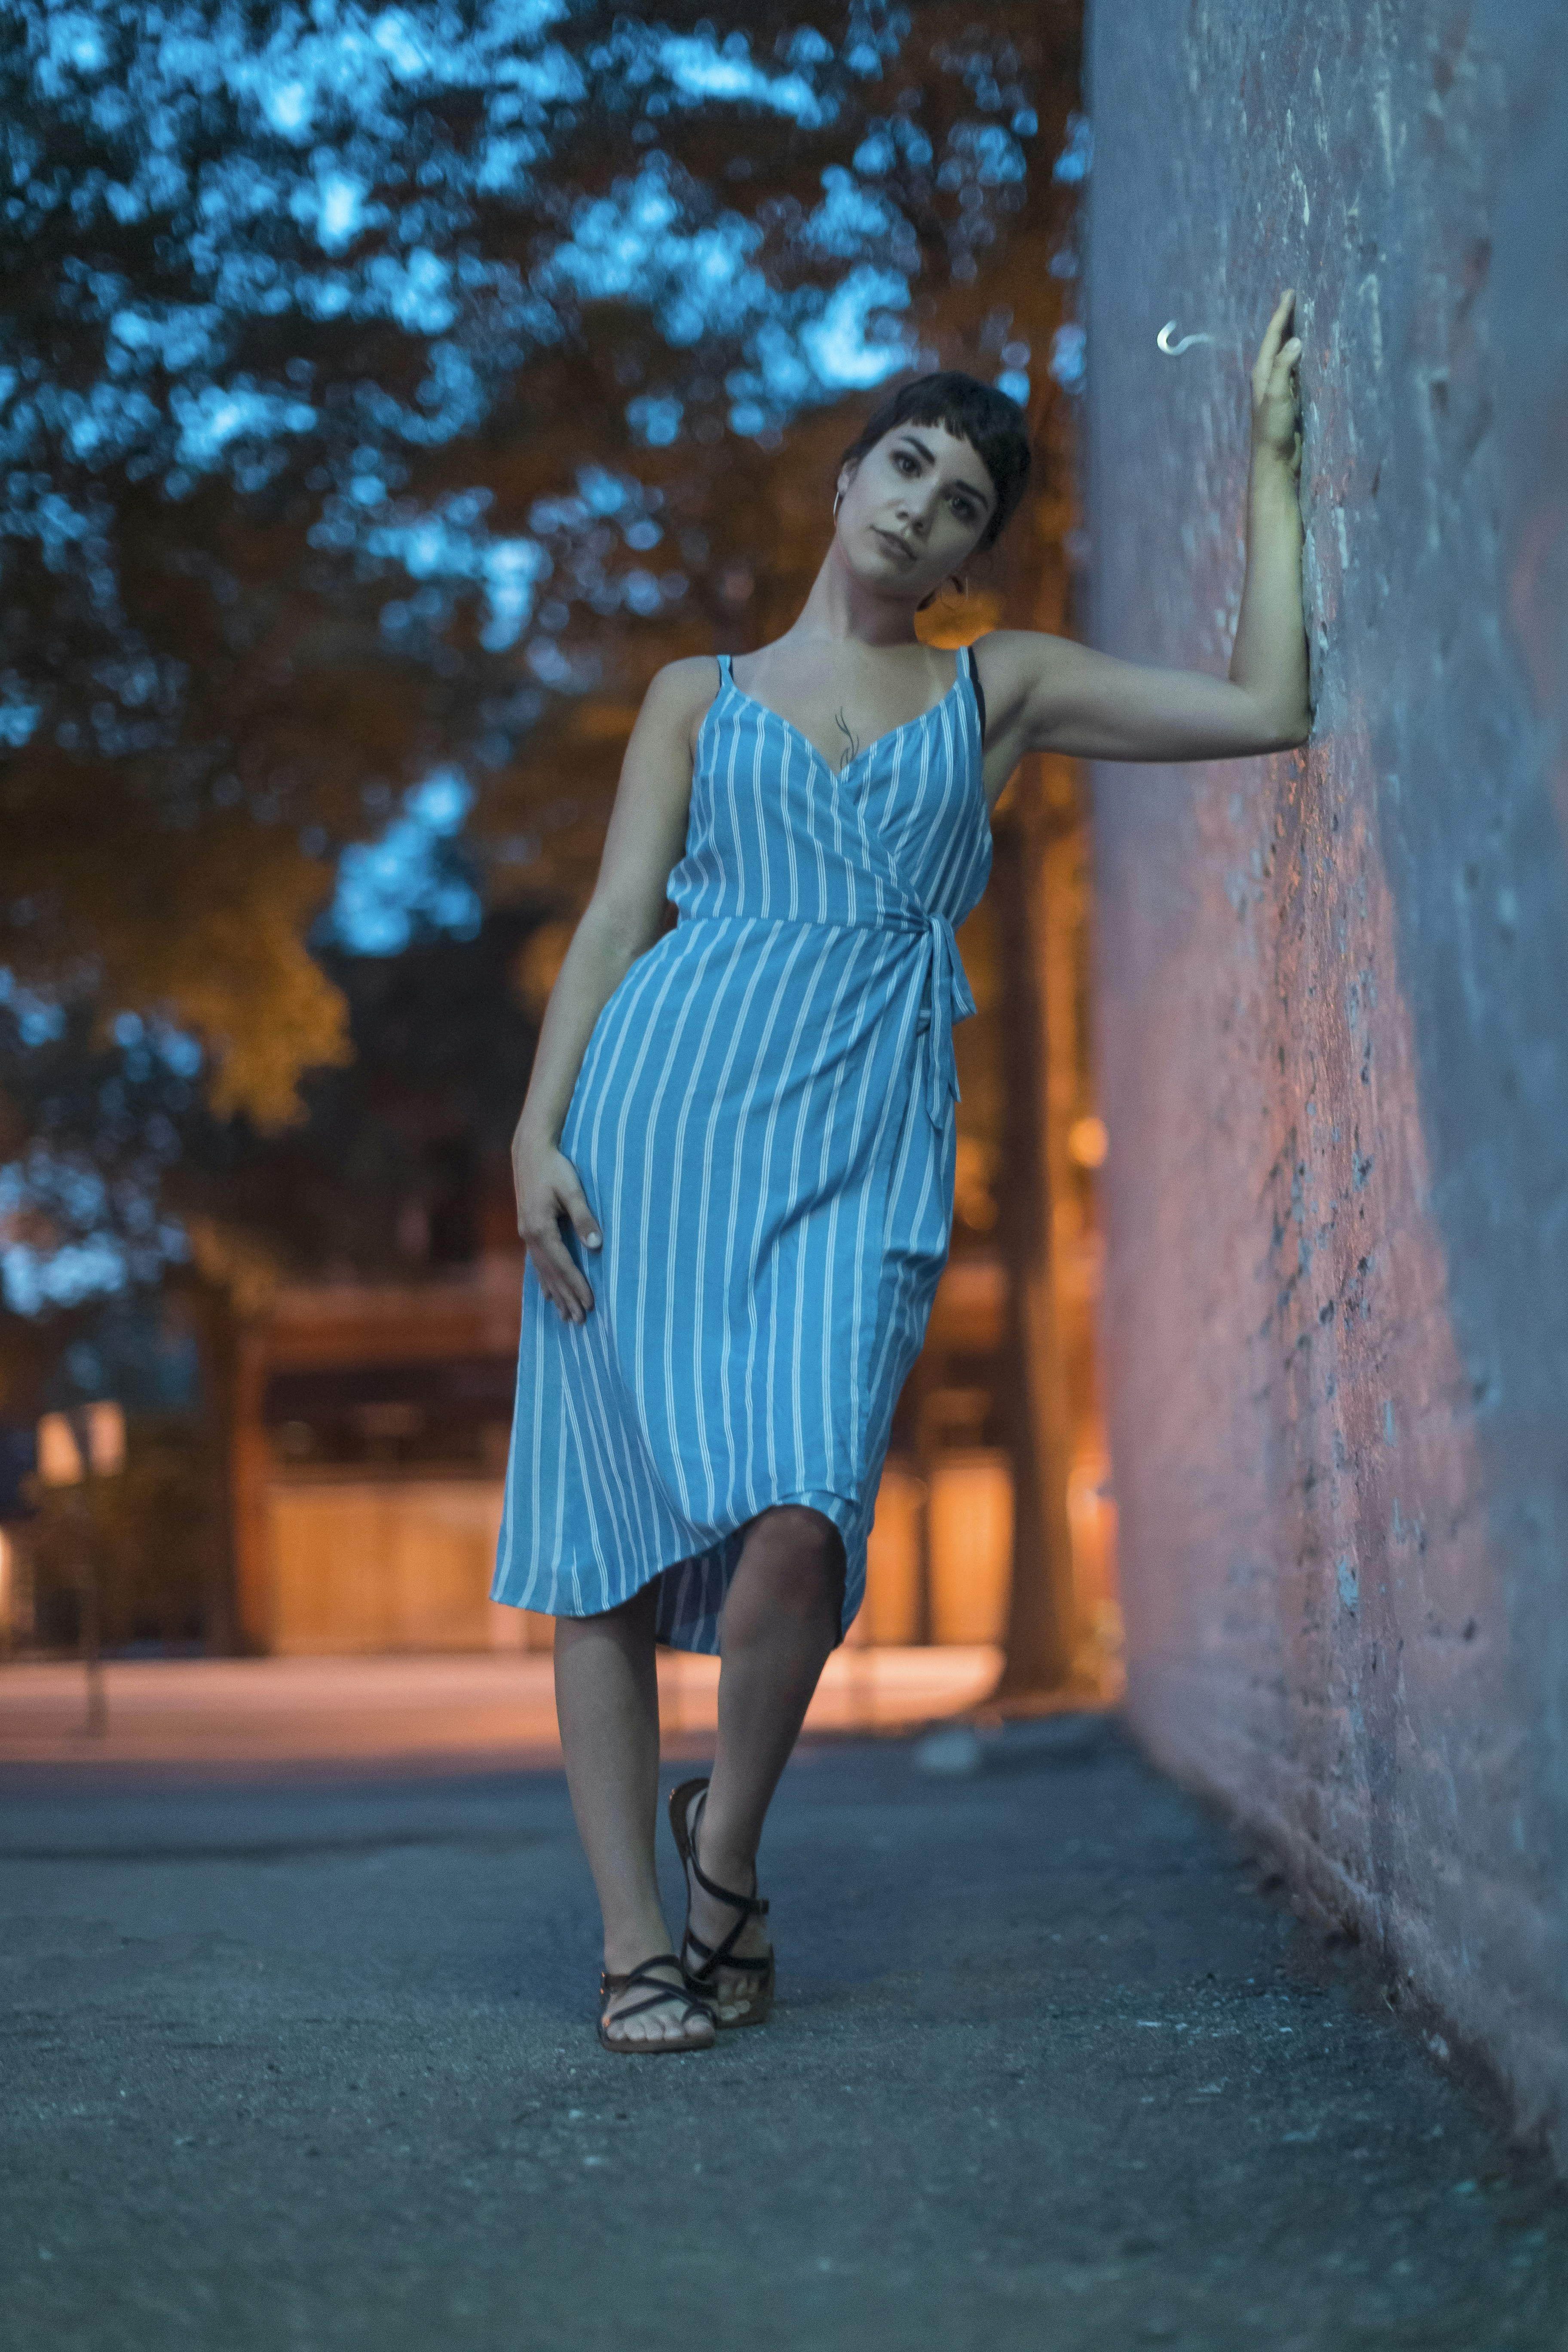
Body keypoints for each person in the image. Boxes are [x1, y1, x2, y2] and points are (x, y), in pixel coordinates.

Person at [496, 291, 1310, 2053]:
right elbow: (619, 920)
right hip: (654, 1137)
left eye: (961, 505)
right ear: (847, 477)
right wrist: (534, 1132)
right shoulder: (696, 698)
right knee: (603, 1552)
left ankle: (724, 1853)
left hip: (864, 1151)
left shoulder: (995, 689)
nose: (923, 508)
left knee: (809, 1517)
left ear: (966, 558)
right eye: (908, 467)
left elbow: (1267, 704)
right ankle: (637, 1951)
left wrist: (1270, 462)